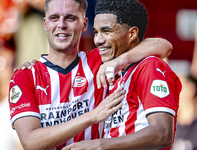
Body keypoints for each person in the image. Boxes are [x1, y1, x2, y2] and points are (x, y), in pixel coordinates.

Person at [9, 0, 173, 149]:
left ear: (84, 24)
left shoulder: (99, 60)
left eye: (70, 18)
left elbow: (163, 45)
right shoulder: (24, 77)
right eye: (54, 17)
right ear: (45, 23)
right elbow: (31, 142)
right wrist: (92, 116)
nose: (61, 25)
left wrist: (120, 60)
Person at [62, 0, 182, 150]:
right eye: (96, 32)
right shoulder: (115, 71)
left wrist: (99, 145)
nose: (98, 40)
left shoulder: (149, 66)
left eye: (107, 31)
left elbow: (162, 133)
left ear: (131, 34)